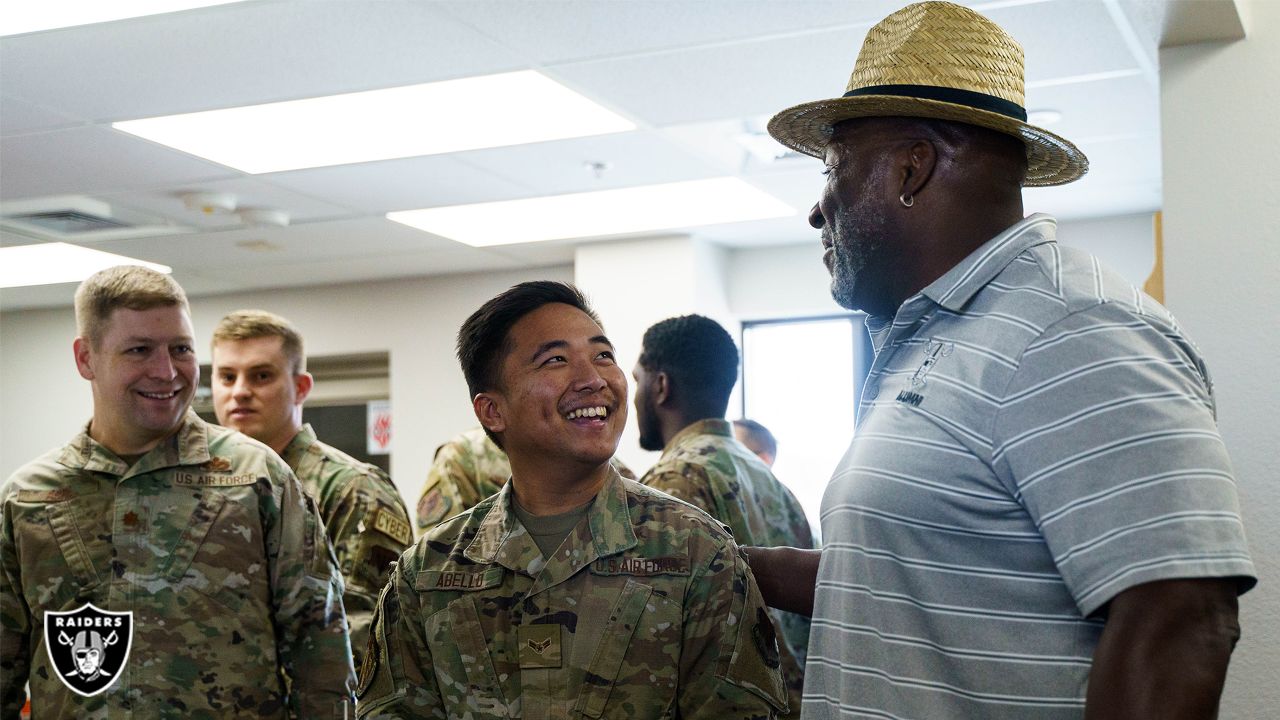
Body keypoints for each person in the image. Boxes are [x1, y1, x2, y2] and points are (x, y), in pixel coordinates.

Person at [746, 2, 1257, 718]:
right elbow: (919, 577)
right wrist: (738, 565)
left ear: (910, 169)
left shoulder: (1072, 325)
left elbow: (1184, 615)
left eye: (834, 170)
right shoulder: (939, 332)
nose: (816, 209)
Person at [357, 281, 787, 718]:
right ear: (492, 410)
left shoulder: (697, 552)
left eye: (603, 355)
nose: (593, 379)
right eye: (556, 360)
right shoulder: (431, 570)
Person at [0, 266, 356, 718]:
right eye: (140, 350)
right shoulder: (30, 497)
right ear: (86, 358)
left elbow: (322, 661)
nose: (166, 371)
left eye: (181, 349)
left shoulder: (256, 478)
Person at [633, 314, 814, 718]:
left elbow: (657, 635)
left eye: (636, 380)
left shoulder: (674, 479)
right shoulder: (762, 473)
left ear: (660, 386)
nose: (633, 396)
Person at [210, 309, 413, 665]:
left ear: (301, 387)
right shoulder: (204, 486)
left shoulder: (353, 489)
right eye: (227, 377)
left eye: (260, 376)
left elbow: (365, 632)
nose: (240, 392)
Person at [416, 427, 636, 531]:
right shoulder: (466, 457)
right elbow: (441, 565)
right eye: (557, 359)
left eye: (600, 356)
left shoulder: (612, 467)